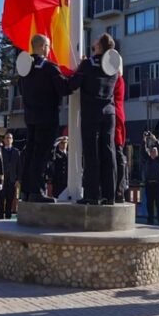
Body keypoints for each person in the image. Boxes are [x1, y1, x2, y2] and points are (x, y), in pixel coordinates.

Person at [19, 34, 70, 202]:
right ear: (42, 47)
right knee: (41, 155)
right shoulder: (49, 67)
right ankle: (37, 191)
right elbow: (64, 88)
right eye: (48, 46)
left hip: (30, 116)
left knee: (31, 153)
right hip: (47, 117)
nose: (49, 49)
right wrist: (79, 76)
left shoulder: (25, 69)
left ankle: (26, 191)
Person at [69, 33, 119, 205]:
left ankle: (91, 195)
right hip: (110, 112)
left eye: (96, 41)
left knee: (91, 154)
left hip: (91, 112)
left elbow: (74, 84)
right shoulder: (114, 67)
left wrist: (78, 70)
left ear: (99, 46)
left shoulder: (87, 64)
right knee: (108, 152)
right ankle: (110, 195)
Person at [0, 132, 22, 218]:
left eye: (10, 138)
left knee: (10, 199)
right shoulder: (0, 150)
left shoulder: (16, 152)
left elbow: (19, 167)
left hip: (12, 180)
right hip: (2, 179)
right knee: (1, 199)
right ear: (3, 140)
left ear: (12, 140)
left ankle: (8, 217)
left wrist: (18, 180)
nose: (8, 139)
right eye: (7, 138)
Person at [142, 135, 159, 226]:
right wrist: (144, 140)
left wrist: (155, 140)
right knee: (149, 204)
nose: (153, 153)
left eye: (154, 151)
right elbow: (143, 151)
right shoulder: (147, 160)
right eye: (151, 151)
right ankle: (150, 220)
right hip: (149, 185)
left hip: (158, 185)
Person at [113, 74, 127, 203]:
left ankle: (118, 191)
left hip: (115, 122)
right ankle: (118, 191)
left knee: (117, 158)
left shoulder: (118, 79)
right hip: (115, 121)